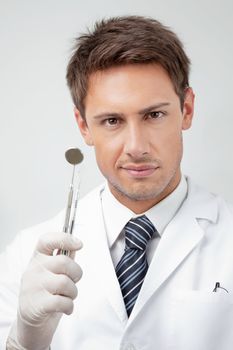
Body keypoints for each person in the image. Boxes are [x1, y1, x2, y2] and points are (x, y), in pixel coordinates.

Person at [1, 15, 233, 350]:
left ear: (186, 109)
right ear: (83, 126)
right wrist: (24, 340)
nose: (136, 147)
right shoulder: (25, 256)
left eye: (153, 115)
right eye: (112, 120)